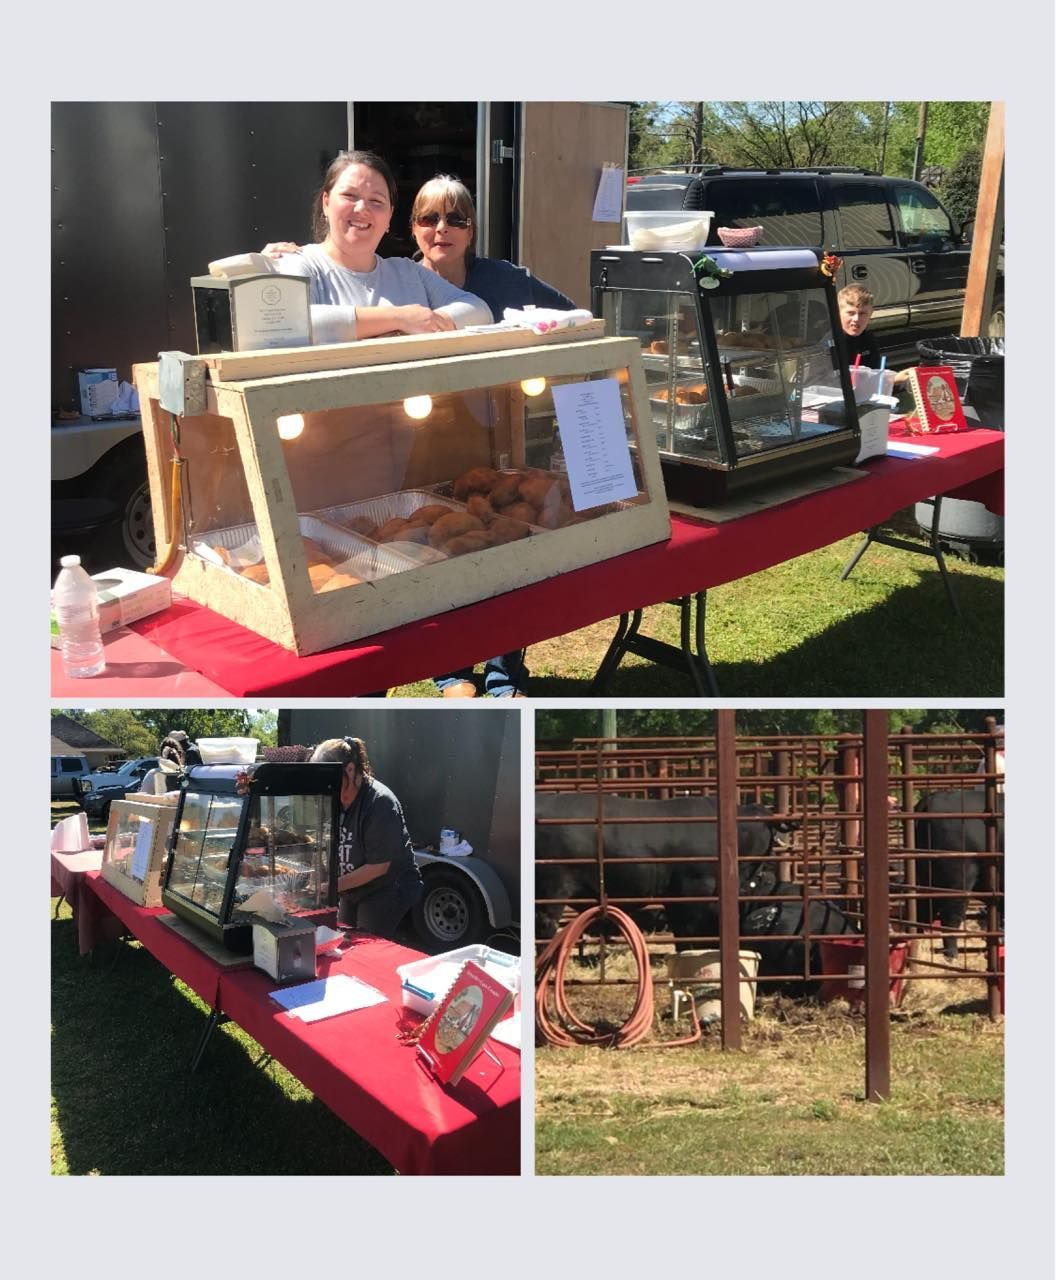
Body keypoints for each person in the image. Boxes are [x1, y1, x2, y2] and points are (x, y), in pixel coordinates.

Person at [410, 175, 576, 698]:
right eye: (429, 218)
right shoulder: (396, 283)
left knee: (510, 544)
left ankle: (505, 674)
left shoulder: (504, 278)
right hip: (426, 435)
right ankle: (452, 671)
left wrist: (537, 342)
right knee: (443, 548)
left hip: (498, 436)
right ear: (412, 227)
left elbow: (568, 316)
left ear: (472, 228)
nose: (442, 229)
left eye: (456, 218)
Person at [266, 150, 492, 343]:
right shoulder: (297, 262)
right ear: (326, 203)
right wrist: (399, 318)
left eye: (376, 201)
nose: (362, 208)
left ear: (389, 216)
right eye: (350, 196)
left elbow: (479, 310)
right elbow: (288, 322)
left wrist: (433, 321)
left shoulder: (408, 272)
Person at [309, 736, 423, 937]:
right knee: (341, 937)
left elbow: (379, 866)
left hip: (388, 887)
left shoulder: (380, 803)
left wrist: (331, 886)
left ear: (350, 769)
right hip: (352, 888)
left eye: (326, 777)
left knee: (365, 941)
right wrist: (317, 878)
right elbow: (323, 842)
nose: (321, 785)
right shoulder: (334, 799)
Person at [837, 285, 908, 385]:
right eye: (850, 313)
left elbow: (877, 370)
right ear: (838, 313)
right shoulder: (831, 343)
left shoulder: (868, 339)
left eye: (862, 313)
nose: (856, 319)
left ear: (871, 314)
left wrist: (895, 378)